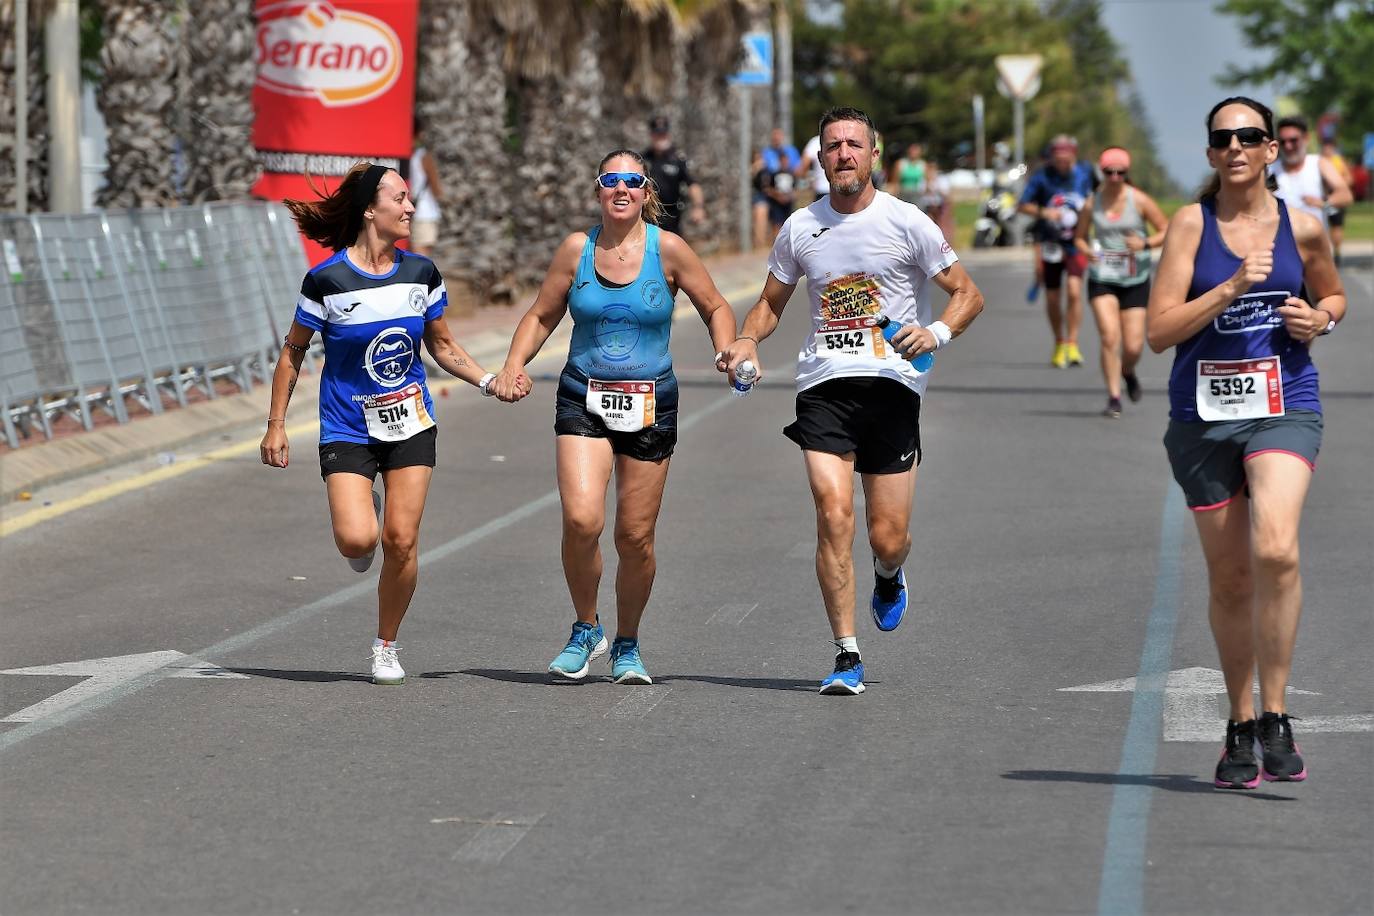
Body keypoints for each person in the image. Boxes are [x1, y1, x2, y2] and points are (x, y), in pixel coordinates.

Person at [718, 107, 984, 695]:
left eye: (854, 145)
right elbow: (771, 304)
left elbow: (967, 293)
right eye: (833, 145)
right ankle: (846, 653)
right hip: (824, 384)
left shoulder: (907, 222)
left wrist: (935, 333)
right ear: (819, 156)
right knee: (831, 510)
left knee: (886, 536)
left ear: (874, 155)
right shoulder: (799, 227)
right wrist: (744, 339)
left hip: (893, 386)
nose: (843, 154)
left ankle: (889, 575)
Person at [261, 163, 526, 685]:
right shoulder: (327, 280)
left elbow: (443, 345)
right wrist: (276, 424)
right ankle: (364, 510)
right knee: (359, 540)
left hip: (410, 423)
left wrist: (489, 381)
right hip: (347, 426)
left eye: (409, 199)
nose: (410, 207)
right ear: (369, 209)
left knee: (401, 540)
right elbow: (293, 351)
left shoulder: (420, 273)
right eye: (400, 199)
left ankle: (386, 644)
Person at [1147, 97, 1345, 789]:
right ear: (1210, 154)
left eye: (1249, 136)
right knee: (1231, 578)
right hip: (1200, 419)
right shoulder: (1188, 226)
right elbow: (1159, 331)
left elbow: (1334, 296)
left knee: (1275, 548)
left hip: (1285, 404)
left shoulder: (1305, 226)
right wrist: (1231, 287)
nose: (1236, 146)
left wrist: (1317, 318)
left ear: (1270, 150)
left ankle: (1277, 713)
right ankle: (1238, 722)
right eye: (1222, 138)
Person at [491, 149, 737, 684]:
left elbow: (715, 305)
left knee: (635, 537)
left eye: (632, 180)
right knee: (582, 520)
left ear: (647, 191)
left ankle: (627, 642)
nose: (621, 188)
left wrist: (726, 350)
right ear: (598, 190)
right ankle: (586, 628)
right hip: (583, 396)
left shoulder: (668, 250)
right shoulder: (576, 249)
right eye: (610, 180)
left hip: (652, 403)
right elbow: (540, 314)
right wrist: (513, 364)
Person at [1073, 147, 1168, 417]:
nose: (1115, 177)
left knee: (1134, 345)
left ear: (1127, 173)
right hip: (1103, 276)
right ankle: (1114, 396)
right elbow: (1079, 236)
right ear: (1102, 173)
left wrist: (1145, 243)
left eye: (1120, 172)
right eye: (1109, 172)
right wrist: (1085, 250)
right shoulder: (1093, 202)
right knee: (1109, 335)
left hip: (1135, 277)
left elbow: (1166, 228)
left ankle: (1127, 370)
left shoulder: (1138, 200)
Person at [1019, 135, 1097, 368]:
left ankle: (1072, 342)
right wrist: (1045, 213)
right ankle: (1059, 341)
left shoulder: (1085, 173)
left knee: (1074, 292)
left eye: (1066, 159)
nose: (1062, 164)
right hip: (1050, 242)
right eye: (1058, 160)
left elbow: (1101, 196)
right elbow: (1022, 205)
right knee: (1053, 297)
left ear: (1074, 155)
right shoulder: (1042, 176)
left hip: (1077, 242)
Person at [1269, 116, 1352, 257]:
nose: (1288, 146)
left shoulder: (1318, 163)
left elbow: (1345, 195)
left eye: (1293, 140)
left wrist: (1324, 203)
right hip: (1281, 250)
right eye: (1283, 142)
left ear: (1306, 138)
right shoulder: (1270, 170)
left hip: (1316, 250)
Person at [642, 116, 705, 236]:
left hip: (671, 217)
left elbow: (692, 184)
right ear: (651, 135)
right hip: (646, 215)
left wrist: (698, 207)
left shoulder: (678, 159)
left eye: (663, 134)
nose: (660, 137)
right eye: (657, 134)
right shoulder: (643, 159)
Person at [407, 118, 445, 257]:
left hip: (406, 212)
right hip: (425, 212)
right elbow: (436, 188)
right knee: (422, 258)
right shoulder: (423, 156)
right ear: (420, 133)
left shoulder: (403, 154)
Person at [1318, 135, 1354, 265]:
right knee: (1320, 226)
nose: (1327, 149)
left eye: (1329, 147)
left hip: (1334, 197)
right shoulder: (1318, 161)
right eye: (1326, 147)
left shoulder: (1337, 161)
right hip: (1320, 197)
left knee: (1336, 226)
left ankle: (1336, 252)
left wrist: (1339, 187)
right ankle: (1326, 252)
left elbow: (1349, 179)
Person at [762, 127, 801, 241]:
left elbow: (797, 177)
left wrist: (791, 195)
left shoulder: (791, 153)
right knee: (776, 222)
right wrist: (777, 195)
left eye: (778, 136)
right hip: (775, 197)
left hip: (788, 198)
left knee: (788, 222)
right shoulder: (767, 155)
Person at [797, 132, 830, 202]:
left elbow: (803, 167)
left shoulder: (815, 142)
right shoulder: (844, 140)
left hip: (821, 189)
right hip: (842, 190)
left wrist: (810, 181)